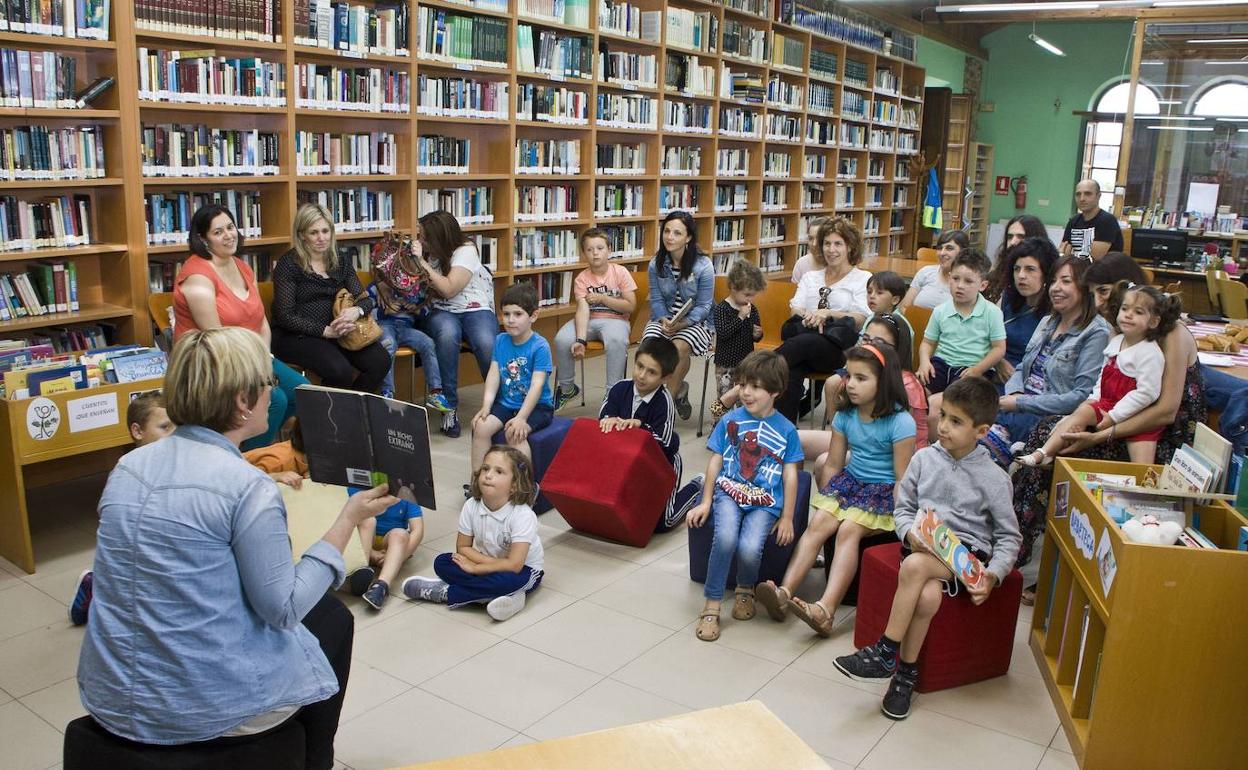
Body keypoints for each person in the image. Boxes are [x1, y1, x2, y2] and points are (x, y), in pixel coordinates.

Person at [77, 326, 397, 769]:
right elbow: (282, 607)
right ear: (243, 402)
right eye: (268, 384)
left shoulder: (128, 467)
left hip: (110, 690)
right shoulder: (247, 488)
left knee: (328, 617)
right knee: (327, 619)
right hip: (202, 709)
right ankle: (315, 759)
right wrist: (347, 520)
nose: (274, 393)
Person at [832, 376, 1020, 721]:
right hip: (922, 545)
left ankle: (885, 650)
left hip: (966, 558)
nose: (943, 426)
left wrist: (994, 574)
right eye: (943, 415)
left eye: (956, 422)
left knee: (917, 568)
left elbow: (1010, 538)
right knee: (927, 596)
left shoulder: (995, 478)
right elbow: (903, 510)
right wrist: (907, 535)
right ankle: (904, 677)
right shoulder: (923, 459)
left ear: (981, 431)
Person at [1010, 260, 1205, 582]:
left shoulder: (1170, 334)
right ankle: (1026, 556)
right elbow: (1105, 387)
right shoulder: (1124, 330)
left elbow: (1165, 411)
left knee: (1059, 446)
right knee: (1046, 436)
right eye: (1095, 294)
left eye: (1103, 292)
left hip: (1159, 437)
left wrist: (1101, 433)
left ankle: (1033, 562)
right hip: (1119, 423)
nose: (1100, 302)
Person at [756, 344, 915, 637]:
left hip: (883, 492)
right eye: (848, 376)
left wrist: (902, 516)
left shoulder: (901, 421)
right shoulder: (845, 416)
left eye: (861, 378)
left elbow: (902, 476)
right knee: (818, 525)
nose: (850, 384)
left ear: (884, 382)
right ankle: (784, 593)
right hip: (850, 485)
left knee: (848, 531)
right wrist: (830, 499)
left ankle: (826, 610)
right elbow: (834, 463)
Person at [686, 350, 804, 642]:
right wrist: (705, 500)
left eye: (755, 387)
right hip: (729, 493)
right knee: (725, 538)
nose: (746, 392)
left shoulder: (787, 430)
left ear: (775, 391)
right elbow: (716, 461)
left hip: (766, 502)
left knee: (750, 547)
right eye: (743, 385)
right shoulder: (730, 421)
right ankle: (712, 603)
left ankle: (744, 588)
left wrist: (787, 516)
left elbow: (792, 474)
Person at [173, 203, 307, 450]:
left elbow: (261, 321)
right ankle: (246, 462)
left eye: (230, 227)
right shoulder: (197, 277)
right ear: (203, 239)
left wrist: (264, 359)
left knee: (304, 393)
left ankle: (253, 446)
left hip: (251, 354)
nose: (228, 235)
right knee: (273, 399)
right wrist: (256, 371)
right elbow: (216, 339)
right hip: (212, 362)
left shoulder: (243, 267)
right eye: (218, 232)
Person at [1021, 282, 1180, 467]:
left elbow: (1147, 393)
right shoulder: (1117, 341)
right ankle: (1043, 453)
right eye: (1125, 309)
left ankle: (1146, 494)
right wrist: (1094, 398)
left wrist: (1114, 416)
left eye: (1138, 312)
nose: (1128, 315)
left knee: (1143, 469)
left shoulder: (1150, 353)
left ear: (1154, 321)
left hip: (1136, 414)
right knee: (1078, 414)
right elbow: (1103, 376)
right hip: (1107, 404)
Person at [981, 255, 1113, 468]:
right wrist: (1015, 394)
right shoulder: (1047, 321)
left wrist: (1021, 403)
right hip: (1017, 407)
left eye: (1066, 281)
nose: (1055, 288)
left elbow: (1080, 396)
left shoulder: (1096, 332)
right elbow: (1023, 366)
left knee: (978, 452)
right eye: (1053, 281)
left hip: (1047, 417)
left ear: (1085, 287)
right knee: (962, 437)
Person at [401, 445, 544, 622]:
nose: (488, 475)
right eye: (485, 468)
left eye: (499, 471)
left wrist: (476, 568)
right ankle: (504, 597)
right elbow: (462, 547)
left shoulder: (522, 515)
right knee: (443, 562)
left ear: (514, 485)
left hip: (524, 570)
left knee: (507, 581)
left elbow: (514, 565)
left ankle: (446, 593)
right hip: (490, 563)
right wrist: (475, 564)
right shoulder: (471, 505)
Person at [69, 392, 175, 626]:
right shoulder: (125, 475)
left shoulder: (173, 464)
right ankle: (92, 587)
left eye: (177, 427)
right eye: (165, 427)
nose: (173, 435)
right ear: (137, 431)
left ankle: (96, 585)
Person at [271, 203, 391, 393]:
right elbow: (285, 316)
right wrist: (326, 331)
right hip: (297, 335)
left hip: (339, 332)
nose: (321, 238)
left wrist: (355, 311)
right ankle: (329, 419)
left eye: (325, 231)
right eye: (314, 232)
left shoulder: (339, 261)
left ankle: (349, 413)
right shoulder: (289, 264)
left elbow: (366, 300)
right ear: (302, 235)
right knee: (339, 371)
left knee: (381, 362)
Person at [599, 337, 705, 531]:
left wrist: (640, 427)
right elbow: (604, 417)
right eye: (639, 366)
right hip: (627, 463)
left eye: (651, 372)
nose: (641, 375)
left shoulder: (664, 402)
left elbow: (663, 443)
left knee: (664, 523)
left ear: (665, 378)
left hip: (661, 465)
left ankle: (696, 486)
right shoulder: (619, 388)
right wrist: (608, 419)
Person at [775, 217, 872, 422]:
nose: (831, 249)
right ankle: (785, 434)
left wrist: (828, 313)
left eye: (838, 244)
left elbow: (861, 318)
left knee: (800, 344)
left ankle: (752, 377)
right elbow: (795, 309)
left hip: (839, 349)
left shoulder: (862, 278)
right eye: (827, 243)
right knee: (790, 370)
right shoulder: (811, 277)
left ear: (850, 247)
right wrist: (809, 315)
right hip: (806, 341)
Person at [412, 210, 498, 438]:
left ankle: (501, 405)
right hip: (442, 311)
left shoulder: (466, 250)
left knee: (486, 342)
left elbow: (449, 289)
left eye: (425, 237)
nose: (420, 242)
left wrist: (421, 262)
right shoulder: (428, 253)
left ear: (440, 238)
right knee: (447, 335)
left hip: (475, 308)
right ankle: (448, 408)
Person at [799, 313, 928, 459]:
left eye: (879, 342)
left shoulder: (906, 385)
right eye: (866, 339)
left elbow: (899, 444)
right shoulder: (860, 372)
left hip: (890, 456)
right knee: (793, 440)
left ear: (897, 349)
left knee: (824, 461)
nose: (869, 347)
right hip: (858, 441)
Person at [470, 283, 554, 471]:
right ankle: (477, 482)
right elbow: (493, 374)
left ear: (533, 316)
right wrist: (486, 406)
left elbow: (537, 385)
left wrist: (522, 418)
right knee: (481, 428)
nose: (510, 320)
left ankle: (525, 489)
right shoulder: (500, 340)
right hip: (507, 403)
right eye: (506, 314)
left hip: (538, 407)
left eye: (517, 314)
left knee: (514, 433)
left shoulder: (540, 346)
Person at [642, 210, 715, 420]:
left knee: (678, 347)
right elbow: (655, 299)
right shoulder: (656, 264)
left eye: (677, 233)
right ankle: (673, 390)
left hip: (695, 321)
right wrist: (664, 318)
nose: (669, 237)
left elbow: (704, 305)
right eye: (666, 231)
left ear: (688, 238)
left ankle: (665, 409)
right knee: (649, 346)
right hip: (664, 317)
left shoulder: (703, 266)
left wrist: (683, 324)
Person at [553, 227, 638, 409]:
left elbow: (630, 305)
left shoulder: (620, 272)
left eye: (600, 248)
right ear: (584, 253)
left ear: (609, 250)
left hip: (616, 320)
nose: (595, 253)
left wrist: (603, 298)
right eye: (590, 250)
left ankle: (612, 393)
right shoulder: (582, 279)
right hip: (589, 320)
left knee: (616, 340)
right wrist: (580, 340)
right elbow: (583, 310)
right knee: (561, 338)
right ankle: (567, 389)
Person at [371, 232, 451, 412]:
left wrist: (415, 309)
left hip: (406, 328)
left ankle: (435, 392)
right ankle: (387, 392)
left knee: (428, 343)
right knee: (388, 344)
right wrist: (383, 310)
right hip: (385, 325)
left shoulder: (416, 287)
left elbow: (426, 309)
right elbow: (366, 309)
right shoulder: (378, 287)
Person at [917, 249, 1005, 398]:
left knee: (954, 398)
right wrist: (924, 362)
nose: (960, 285)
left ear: (983, 285)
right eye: (956, 279)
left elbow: (999, 348)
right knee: (917, 391)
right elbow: (928, 343)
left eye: (968, 281)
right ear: (949, 277)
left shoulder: (992, 313)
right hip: (941, 364)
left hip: (972, 368)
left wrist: (978, 369)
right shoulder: (940, 311)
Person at [345, 487, 424, 610]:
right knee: (367, 521)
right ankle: (360, 571)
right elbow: (346, 520)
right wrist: (372, 554)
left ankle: (382, 585)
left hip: (389, 540)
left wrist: (399, 557)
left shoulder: (406, 494)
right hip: (361, 538)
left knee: (400, 534)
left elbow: (417, 530)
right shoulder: (357, 487)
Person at [708, 260, 767, 420]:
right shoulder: (722, 309)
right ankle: (719, 428)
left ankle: (743, 427)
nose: (750, 299)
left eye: (753, 295)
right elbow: (724, 333)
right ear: (734, 288)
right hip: (725, 363)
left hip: (746, 362)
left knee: (745, 397)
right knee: (725, 396)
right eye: (747, 294)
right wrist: (740, 317)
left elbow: (756, 336)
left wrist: (758, 333)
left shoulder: (752, 308)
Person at [996, 237, 1057, 382]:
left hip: (1031, 383)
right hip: (993, 371)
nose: (1021, 276)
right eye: (1017, 269)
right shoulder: (1007, 297)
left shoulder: (1056, 310)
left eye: (1030, 269)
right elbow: (985, 335)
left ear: (1047, 273)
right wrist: (998, 362)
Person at [986, 213, 1048, 303]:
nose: (1013, 242)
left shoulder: (1045, 279)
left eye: (1021, 237)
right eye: (1010, 237)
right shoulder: (996, 276)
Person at [901, 229, 969, 310]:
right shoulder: (926, 272)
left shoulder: (968, 283)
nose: (942, 253)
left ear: (963, 252)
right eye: (939, 248)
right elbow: (904, 307)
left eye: (949, 248)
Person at [1060, 179, 1123, 259]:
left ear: (1098, 196)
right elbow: (1063, 252)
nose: (1082, 198)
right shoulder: (1073, 221)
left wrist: (1070, 254)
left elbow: (1093, 259)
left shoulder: (1107, 221)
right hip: (1076, 269)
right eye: (1078, 194)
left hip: (1101, 271)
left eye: (1087, 194)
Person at [790, 216, 829, 284]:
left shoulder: (841, 265)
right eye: (811, 238)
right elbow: (794, 292)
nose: (814, 244)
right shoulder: (802, 263)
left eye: (819, 238)